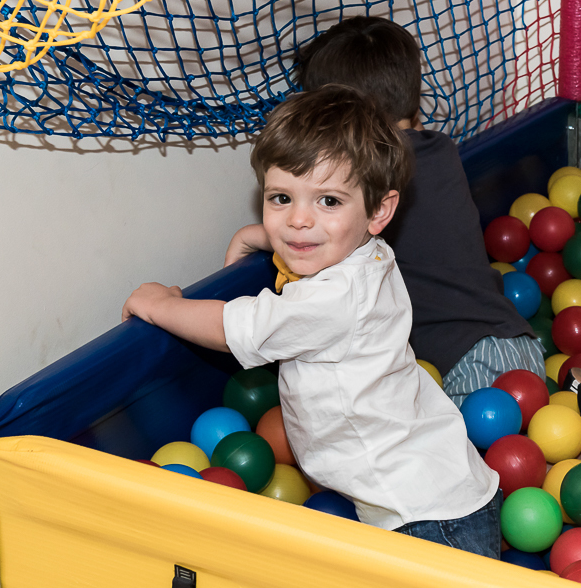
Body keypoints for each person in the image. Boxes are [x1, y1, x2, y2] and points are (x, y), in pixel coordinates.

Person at [123, 85, 502, 558]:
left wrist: (159, 305)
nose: (299, 221)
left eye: (328, 202)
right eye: (281, 198)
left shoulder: (333, 298)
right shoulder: (370, 252)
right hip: (448, 487)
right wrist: (263, 236)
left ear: (379, 210)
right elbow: (324, 235)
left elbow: (235, 327)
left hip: (424, 520)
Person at [225, 16, 545, 406]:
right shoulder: (441, 150)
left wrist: (256, 235)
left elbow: (339, 237)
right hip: (514, 345)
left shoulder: (377, 184)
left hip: (468, 367)